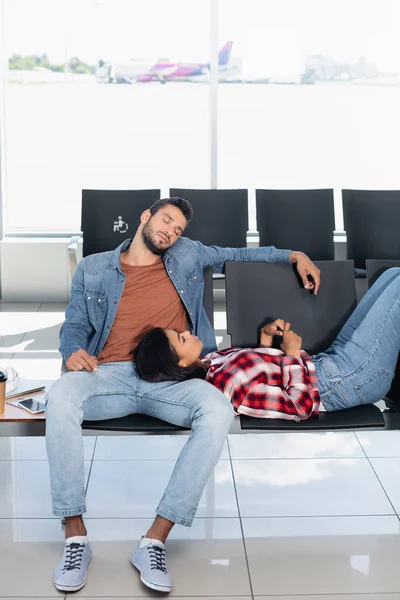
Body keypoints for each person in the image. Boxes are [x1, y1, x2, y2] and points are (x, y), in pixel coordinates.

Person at [45, 196, 320, 594]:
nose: (171, 232)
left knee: (216, 408)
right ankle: (75, 537)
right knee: (62, 395)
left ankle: (154, 540)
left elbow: (236, 254)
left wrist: (294, 254)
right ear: (146, 217)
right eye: (167, 221)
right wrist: (72, 351)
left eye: (177, 230)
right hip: (112, 375)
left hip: (170, 378)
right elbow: (73, 323)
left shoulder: (187, 255)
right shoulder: (94, 268)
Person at [134, 267, 400, 420]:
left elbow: (263, 372)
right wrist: (293, 354)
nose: (187, 332)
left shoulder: (211, 363)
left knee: (392, 274)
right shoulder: (226, 389)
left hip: (328, 363)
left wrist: (266, 339)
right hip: (347, 381)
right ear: (179, 363)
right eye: (181, 339)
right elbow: (299, 406)